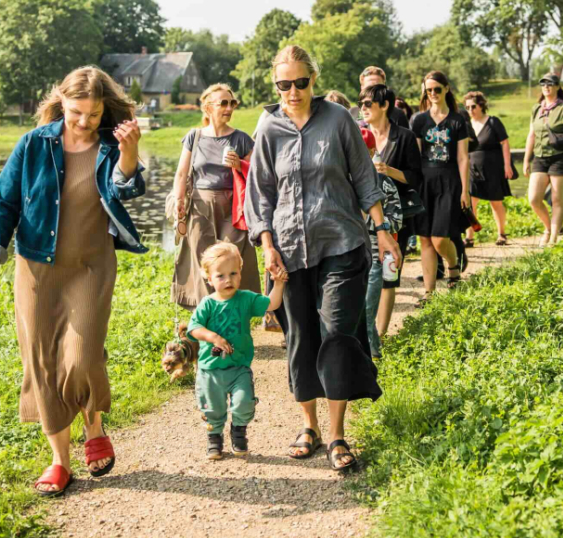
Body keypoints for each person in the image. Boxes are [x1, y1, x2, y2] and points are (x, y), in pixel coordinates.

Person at [0, 66, 145, 498]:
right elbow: (4, 201)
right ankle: (59, 461)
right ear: (61, 103)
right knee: (42, 363)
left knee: (82, 356)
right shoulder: (34, 144)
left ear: (104, 110)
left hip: (91, 267)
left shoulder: (110, 146)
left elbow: (127, 189)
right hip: (36, 268)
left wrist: (129, 152)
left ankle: (94, 424)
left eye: (93, 114)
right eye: (75, 113)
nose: (84, 121)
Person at [245, 44, 401, 473]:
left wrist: (382, 230)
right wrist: (267, 245)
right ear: (275, 85)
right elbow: (259, 194)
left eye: (300, 82)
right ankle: (308, 426)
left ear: (314, 79)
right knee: (300, 338)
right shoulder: (269, 128)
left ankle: (336, 433)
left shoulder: (337, 120)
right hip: (289, 251)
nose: (292, 92)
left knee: (336, 333)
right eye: (284, 84)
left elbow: (364, 176)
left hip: (342, 242)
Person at [184, 242, 286, 461]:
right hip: (211, 370)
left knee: (244, 401)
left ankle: (238, 431)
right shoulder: (207, 304)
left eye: (233, 273)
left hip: (239, 366)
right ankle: (214, 438)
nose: (228, 280)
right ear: (209, 279)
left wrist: (278, 284)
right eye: (220, 276)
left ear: (240, 273)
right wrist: (214, 337)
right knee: (212, 408)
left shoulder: (246, 299)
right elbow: (194, 328)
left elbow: (272, 304)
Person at [171, 83, 258, 324]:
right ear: (208, 107)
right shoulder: (195, 136)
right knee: (203, 263)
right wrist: (179, 200)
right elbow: (182, 173)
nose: (229, 108)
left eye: (232, 103)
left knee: (230, 260)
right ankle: (206, 322)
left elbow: (259, 175)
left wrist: (239, 164)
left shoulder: (241, 138)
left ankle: (231, 319)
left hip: (233, 207)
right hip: (200, 206)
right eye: (224, 103)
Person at [360, 83, 421, 356]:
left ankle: (379, 335)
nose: (363, 108)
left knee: (388, 277)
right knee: (367, 278)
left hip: (394, 218)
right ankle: (372, 337)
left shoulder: (404, 137)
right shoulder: (357, 133)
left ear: (384, 105)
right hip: (362, 226)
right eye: (361, 103)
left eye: (367, 103)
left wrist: (388, 171)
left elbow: (416, 178)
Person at [410, 70, 471, 293]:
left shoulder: (457, 120)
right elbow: (415, 157)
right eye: (429, 90)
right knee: (425, 240)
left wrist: (465, 190)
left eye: (437, 89)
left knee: (439, 238)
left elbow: (463, 158)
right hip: (425, 183)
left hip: (449, 182)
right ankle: (429, 292)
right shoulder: (419, 120)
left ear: (446, 89)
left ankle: (453, 265)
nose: (433, 93)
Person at [523, 73, 563, 246]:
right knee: (534, 199)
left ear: (557, 86)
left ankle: (553, 238)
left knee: (556, 200)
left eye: (550, 83)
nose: (546, 86)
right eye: (543, 84)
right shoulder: (536, 108)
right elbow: (531, 135)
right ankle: (548, 228)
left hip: (560, 157)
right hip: (540, 157)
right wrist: (526, 160)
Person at [464, 90, 513, 246]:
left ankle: (502, 234)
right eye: (467, 107)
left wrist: (507, 165)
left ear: (481, 105)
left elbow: (504, 143)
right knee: (470, 203)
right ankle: (469, 237)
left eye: (473, 106)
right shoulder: (466, 124)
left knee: (495, 202)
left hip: (493, 167)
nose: (470, 110)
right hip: (471, 168)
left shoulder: (493, 122)